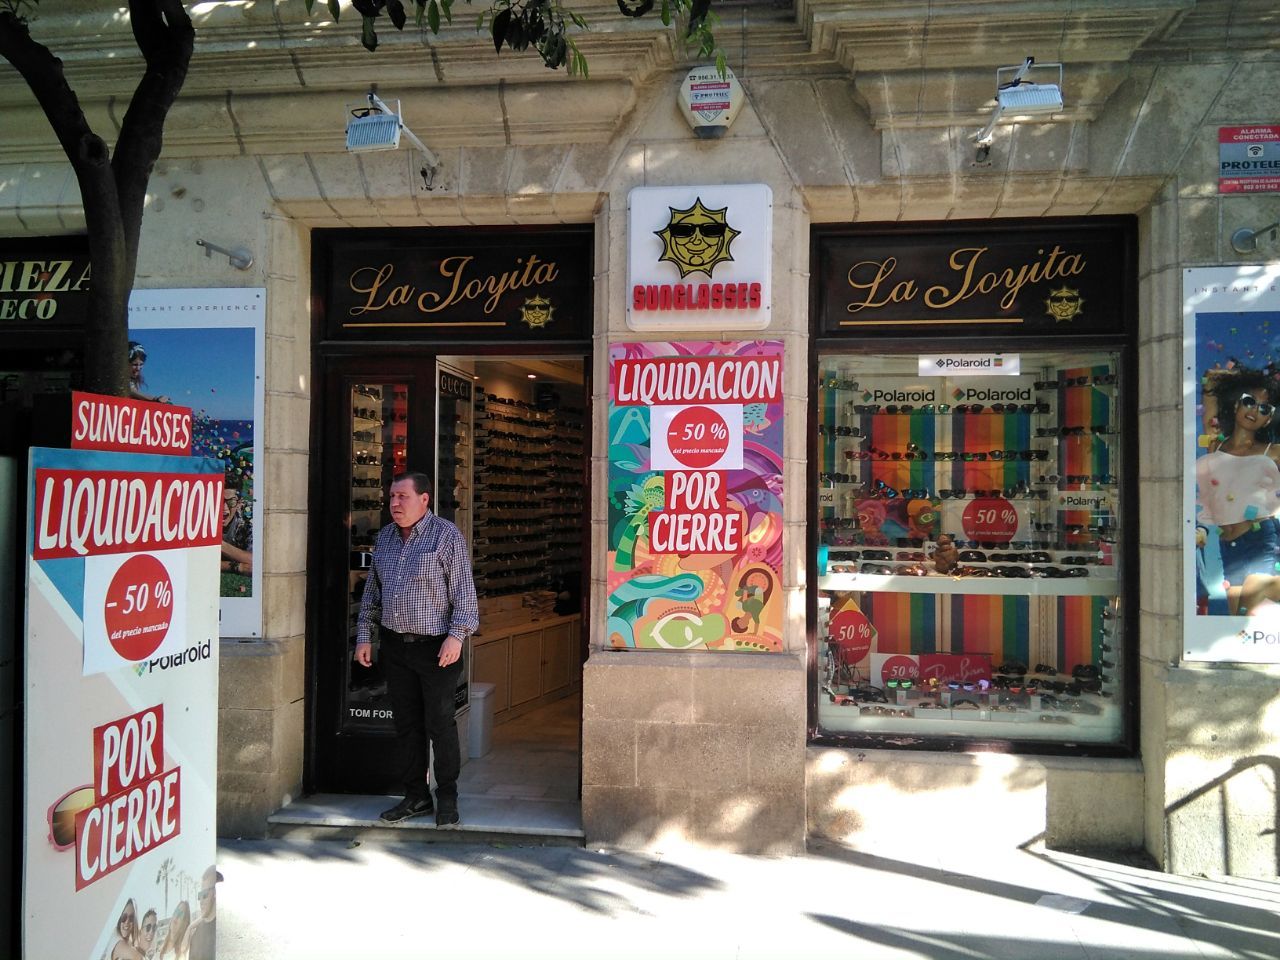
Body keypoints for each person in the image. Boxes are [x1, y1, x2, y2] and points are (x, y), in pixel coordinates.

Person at [355, 470, 479, 826]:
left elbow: (466, 598)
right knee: (407, 725)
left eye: (403, 497)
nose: (395, 504)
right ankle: (415, 797)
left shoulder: (446, 537)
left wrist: (456, 637)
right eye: (392, 497)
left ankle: (448, 797)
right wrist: (365, 636)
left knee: (440, 724)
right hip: (396, 647)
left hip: (436, 648)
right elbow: (372, 595)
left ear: (424, 499)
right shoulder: (386, 539)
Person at [1195, 370, 1280, 615]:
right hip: (1228, 545)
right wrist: (1229, 374)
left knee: (1250, 598)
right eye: (1250, 401)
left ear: (1268, 420)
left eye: (1265, 409)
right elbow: (1209, 380)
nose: (1255, 411)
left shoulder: (1272, 452)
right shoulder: (1215, 443)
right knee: (1238, 625)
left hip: (1260, 539)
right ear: (1235, 405)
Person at [182, 866, 220, 960]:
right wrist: (189, 928)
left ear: (215, 893)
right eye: (200, 895)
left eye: (205, 894)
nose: (201, 901)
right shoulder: (196, 935)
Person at [220, 480, 253, 575]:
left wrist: (216, 542)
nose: (224, 508)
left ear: (239, 503)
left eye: (231, 502)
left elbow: (257, 562)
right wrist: (241, 567)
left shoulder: (250, 515)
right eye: (218, 501)